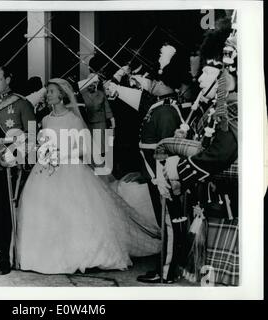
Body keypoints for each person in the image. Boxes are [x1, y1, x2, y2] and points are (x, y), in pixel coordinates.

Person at [14, 78, 161, 274]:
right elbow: (42, 143)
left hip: (70, 169)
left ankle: (81, 255)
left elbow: (85, 148)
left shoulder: (73, 120)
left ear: (61, 96)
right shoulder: (46, 120)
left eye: (51, 91)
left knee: (74, 211)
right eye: (47, 91)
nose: (47, 95)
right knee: (40, 208)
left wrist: (62, 154)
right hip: (46, 170)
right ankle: (41, 256)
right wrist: (44, 152)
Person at [161, 15, 239, 286]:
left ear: (225, 75)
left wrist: (178, 169)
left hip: (227, 201)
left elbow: (221, 152)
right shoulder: (217, 106)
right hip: (212, 199)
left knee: (223, 283)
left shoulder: (230, 107)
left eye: (208, 71)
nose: (199, 76)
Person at [105, 43, 190, 283]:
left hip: (160, 175)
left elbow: (166, 149)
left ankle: (167, 271)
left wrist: (161, 177)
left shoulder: (165, 111)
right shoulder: (158, 106)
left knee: (171, 224)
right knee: (167, 223)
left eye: (154, 81)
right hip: (154, 174)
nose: (150, 83)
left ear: (164, 84)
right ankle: (167, 266)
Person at [0, 63, 36, 275]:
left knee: (6, 211)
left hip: (12, 161)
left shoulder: (22, 103)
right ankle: (0, 247)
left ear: (8, 79)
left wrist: (17, 157)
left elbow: (31, 135)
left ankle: (7, 254)